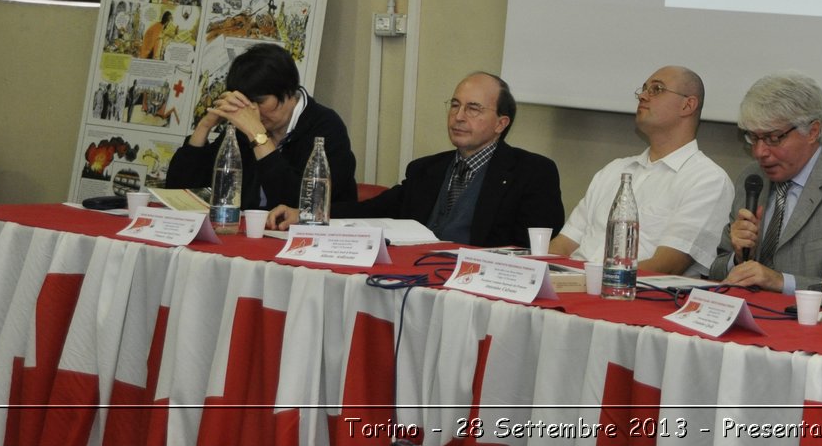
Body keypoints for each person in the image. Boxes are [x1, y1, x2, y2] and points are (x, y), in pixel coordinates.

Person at [269, 72, 563, 247]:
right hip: (417, 284)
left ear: (501, 123)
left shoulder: (532, 173)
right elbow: (371, 210)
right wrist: (309, 216)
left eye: (473, 109)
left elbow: (534, 248)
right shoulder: (427, 169)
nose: (458, 116)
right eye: (455, 105)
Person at [709, 72, 822, 294]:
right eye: (753, 138)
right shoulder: (751, 180)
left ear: (812, 131)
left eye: (773, 138)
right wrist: (738, 258)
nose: (759, 152)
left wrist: (781, 282)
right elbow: (716, 271)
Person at [548, 65, 733, 276]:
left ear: (687, 105)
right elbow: (563, 246)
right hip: (572, 286)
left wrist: (590, 281)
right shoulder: (614, 170)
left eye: (657, 89)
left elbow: (668, 265)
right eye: (643, 89)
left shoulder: (707, 180)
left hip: (630, 296)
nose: (643, 96)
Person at [164, 43, 357, 210]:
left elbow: (300, 204)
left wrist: (258, 135)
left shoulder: (325, 127)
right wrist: (204, 126)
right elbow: (180, 192)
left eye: (260, 101)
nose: (251, 111)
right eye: (245, 102)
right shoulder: (240, 129)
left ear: (288, 91)